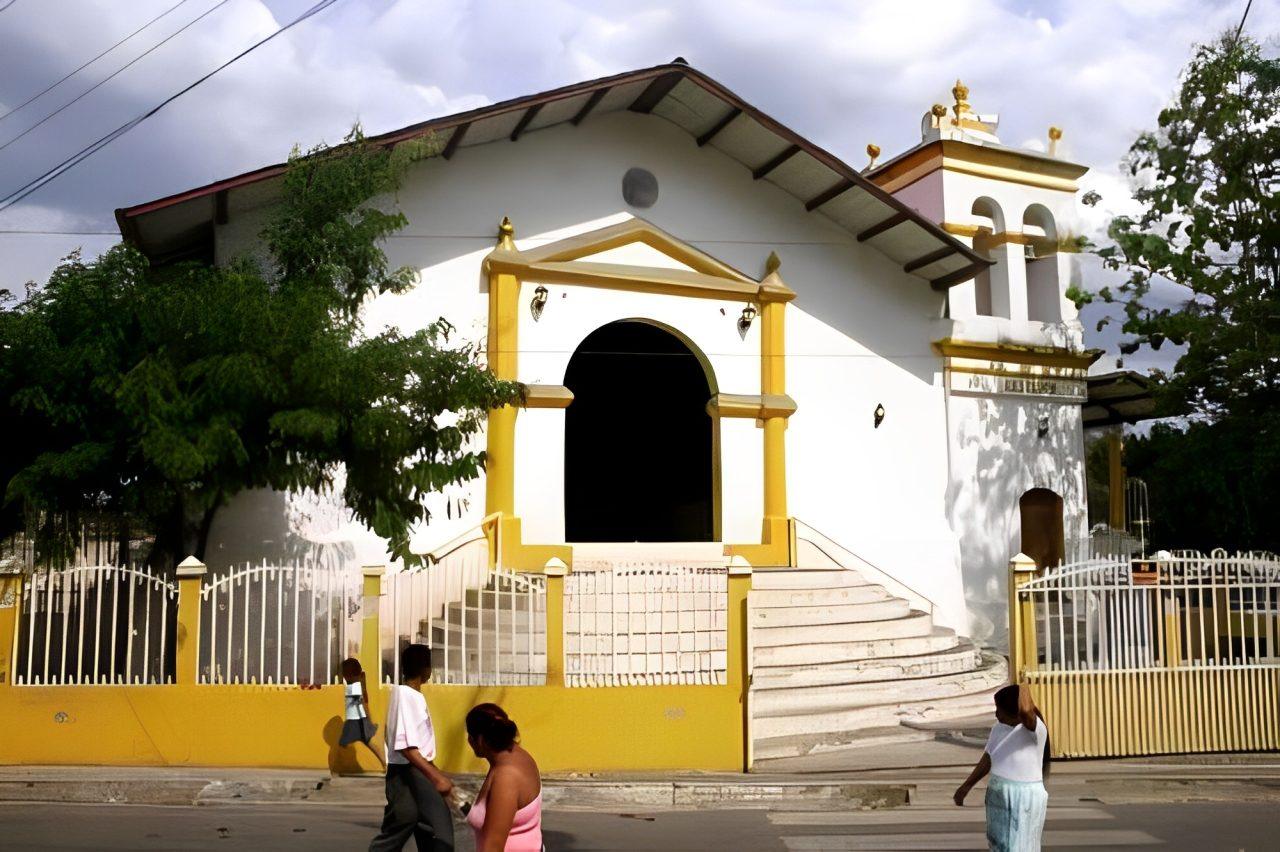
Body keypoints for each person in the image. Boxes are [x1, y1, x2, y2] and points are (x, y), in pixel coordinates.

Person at [369, 644, 454, 852]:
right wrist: (436, 777)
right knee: (438, 830)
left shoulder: (410, 695)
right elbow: (407, 747)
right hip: (410, 772)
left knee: (418, 825)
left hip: (415, 770)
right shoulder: (406, 695)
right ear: (426, 669)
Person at [953, 683, 1051, 852]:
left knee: (1020, 846)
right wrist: (966, 787)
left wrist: (1023, 686)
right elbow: (988, 759)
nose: (996, 713)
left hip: (1024, 797)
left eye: (1000, 708)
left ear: (1015, 711)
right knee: (999, 845)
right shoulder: (998, 729)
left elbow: (1027, 711)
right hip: (998, 794)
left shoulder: (1035, 730)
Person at [464, 703, 542, 852]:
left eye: (470, 737)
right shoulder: (517, 756)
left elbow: (492, 847)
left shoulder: (505, 777)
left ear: (479, 740)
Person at [339, 657, 385, 771]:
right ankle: (385, 763)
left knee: (343, 743)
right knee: (369, 743)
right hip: (356, 720)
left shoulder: (354, 687)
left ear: (347, 675)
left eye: (344, 674)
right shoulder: (355, 685)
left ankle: (340, 767)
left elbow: (362, 703)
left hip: (357, 721)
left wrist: (367, 718)